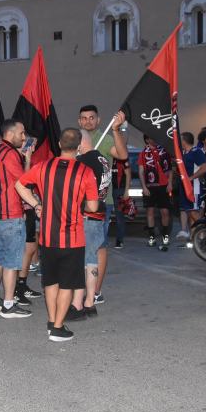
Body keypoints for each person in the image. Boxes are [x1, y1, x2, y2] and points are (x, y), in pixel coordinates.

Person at [18, 128, 99, 342]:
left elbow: (19, 185)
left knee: (51, 282)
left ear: (60, 144)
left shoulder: (43, 167)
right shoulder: (86, 172)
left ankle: (52, 321)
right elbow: (92, 206)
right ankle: (57, 327)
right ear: (79, 146)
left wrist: (37, 204)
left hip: (47, 237)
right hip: (72, 238)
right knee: (68, 284)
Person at [0, 119, 34, 318]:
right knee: (12, 262)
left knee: (0, 258)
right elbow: (24, 182)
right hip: (11, 213)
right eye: (21, 133)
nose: (24, 137)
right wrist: (27, 159)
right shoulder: (11, 154)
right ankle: (8, 304)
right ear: (10, 133)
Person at [78, 107, 127, 304]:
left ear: (98, 120)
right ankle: (82, 287)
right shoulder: (75, 139)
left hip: (101, 203)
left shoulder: (105, 139)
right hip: (77, 204)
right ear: (79, 121)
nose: (88, 121)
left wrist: (115, 130)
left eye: (92, 118)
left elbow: (122, 155)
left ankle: (96, 291)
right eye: (84, 118)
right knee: (80, 247)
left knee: (99, 246)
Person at [67, 130, 111, 320]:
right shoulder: (102, 159)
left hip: (86, 215)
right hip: (99, 214)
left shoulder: (84, 162)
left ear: (79, 144)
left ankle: (78, 305)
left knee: (82, 261)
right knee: (91, 259)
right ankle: (90, 302)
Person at [138, 135, 173, 251]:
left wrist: (170, 183)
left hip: (163, 186)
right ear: (147, 140)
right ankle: (152, 237)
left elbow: (170, 170)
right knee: (150, 211)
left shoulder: (164, 151)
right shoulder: (143, 153)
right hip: (150, 187)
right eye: (151, 137)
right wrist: (144, 187)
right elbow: (141, 171)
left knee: (165, 211)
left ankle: (165, 235)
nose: (155, 139)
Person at [177, 132, 206, 240]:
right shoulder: (184, 152)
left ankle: (205, 236)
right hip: (185, 187)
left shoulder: (197, 152)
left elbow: (205, 168)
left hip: (194, 187)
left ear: (184, 140)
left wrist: (191, 178)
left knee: (194, 212)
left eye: (180, 140)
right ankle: (193, 239)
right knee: (190, 212)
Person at [110, 154, 131, 248]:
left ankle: (119, 240)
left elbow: (128, 174)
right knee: (105, 216)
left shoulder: (123, 159)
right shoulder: (107, 157)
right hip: (108, 189)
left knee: (119, 217)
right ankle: (102, 241)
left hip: (119, 190)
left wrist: (126, 191)